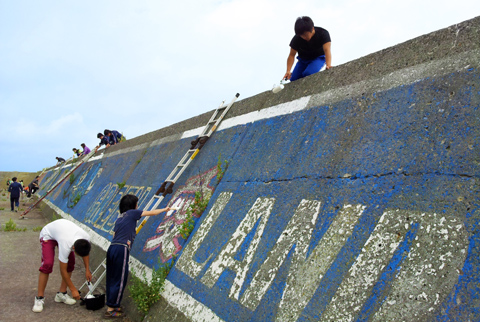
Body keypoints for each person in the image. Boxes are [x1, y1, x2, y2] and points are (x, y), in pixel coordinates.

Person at [104, 194, 172, 318]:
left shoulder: (120, 217)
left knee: (112, 277)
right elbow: (151, 213)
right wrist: (164, 209)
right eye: (137, 203)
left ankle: (112, 304)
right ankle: (111, 309)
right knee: (120, 278)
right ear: (132, 205)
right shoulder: (132, 213)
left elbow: (115, 235)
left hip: (112, 248)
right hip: (121, 248)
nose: (138, 206)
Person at [32, 219, 92, 313]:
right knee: (47, 264)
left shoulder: (86, 238)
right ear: (73, 248)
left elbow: (85, 253)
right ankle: (39, 298)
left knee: (70, 264)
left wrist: (87, 270)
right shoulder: (66, 243)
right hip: (48, 235)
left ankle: (61, 294)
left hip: (62, 232)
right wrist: (73, 290)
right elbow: (62, 270)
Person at [283, 16, 332, 82]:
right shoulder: (297, 38)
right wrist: (288, 71)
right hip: (303, 60)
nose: (303, 37)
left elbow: (327, 50)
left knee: (308, 74)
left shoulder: (323, 33)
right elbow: (291, 55)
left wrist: (328, 65)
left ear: (312, 29)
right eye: (301, 35)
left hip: (318, 58)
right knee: (293, 79)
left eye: (305, 35)